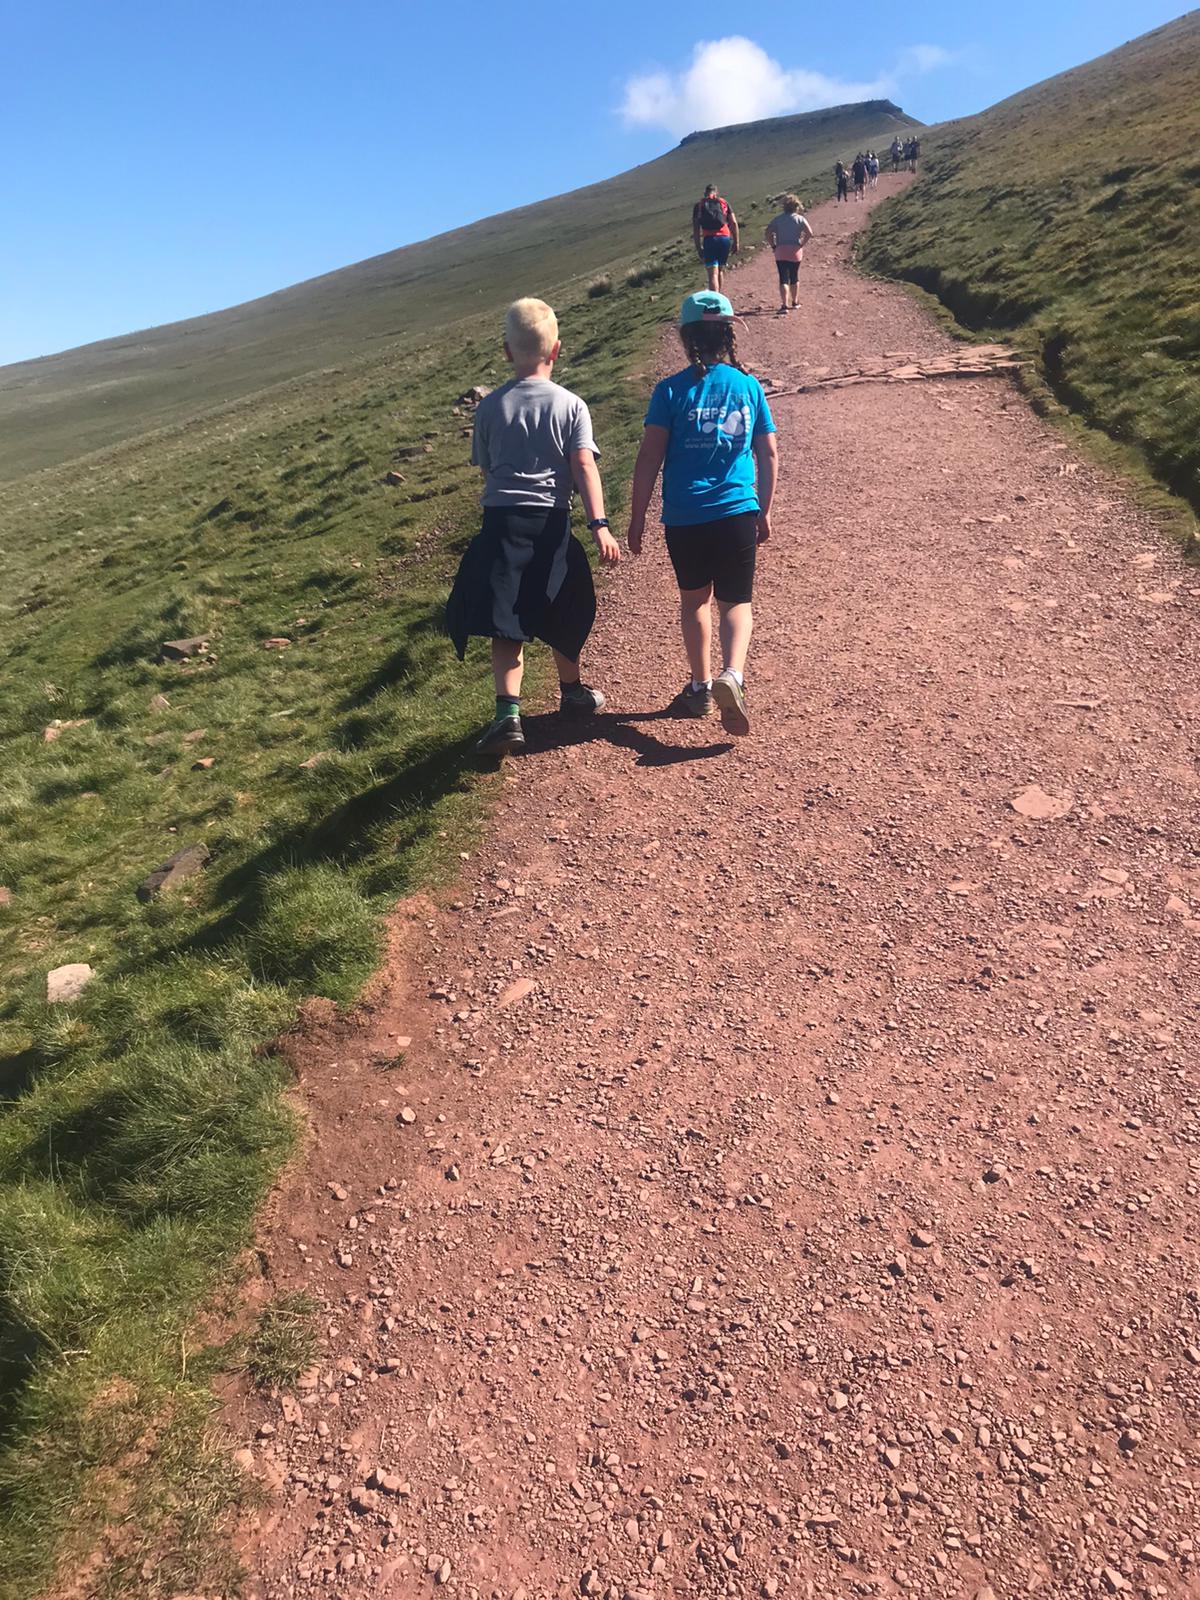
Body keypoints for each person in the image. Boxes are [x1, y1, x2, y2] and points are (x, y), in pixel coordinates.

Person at [446, 297, 621, 756]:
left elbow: (486, 472)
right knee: (566, 603)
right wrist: (599, 524)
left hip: (501, 523)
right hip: (551, 522)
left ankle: (508, 715)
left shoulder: (488, 409)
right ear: (556, 350)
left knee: (506, 621)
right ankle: (572, 692)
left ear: (507, 351)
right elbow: (583, 465)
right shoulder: (572, 405)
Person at [626, 292, 778, 737]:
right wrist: (763, 509)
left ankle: (700, 687)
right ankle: (733, 674)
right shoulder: (748, 387)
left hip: (684, 516)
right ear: (728, 335)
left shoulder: (669, 391)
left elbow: (649, 457)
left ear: (686, 338)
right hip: (736, 511)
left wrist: (637, 519)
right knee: (736, 602)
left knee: (695, 600)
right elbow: (767, 451)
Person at [764, 196, 814, 313]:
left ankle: (784, 305)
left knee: (783, 278)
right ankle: (795, 302)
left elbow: (767, 233)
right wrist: (802, 243)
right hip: (795, 250)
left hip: (780, 251)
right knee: (794, 276)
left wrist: (773, 245)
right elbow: (809, 233)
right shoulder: (800, 219)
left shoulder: (778, 219)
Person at [692, 183, 739, 294]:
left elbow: (696, 229)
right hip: (725, 238)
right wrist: (736, 242)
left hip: (710, 239)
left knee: (712, 272)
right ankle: (720, 297)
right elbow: (733, 222)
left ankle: (715, 302)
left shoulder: (699, 205)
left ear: (705, 193)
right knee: (720, 270)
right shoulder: (724, 202)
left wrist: (699, 248)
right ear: (716, 192)